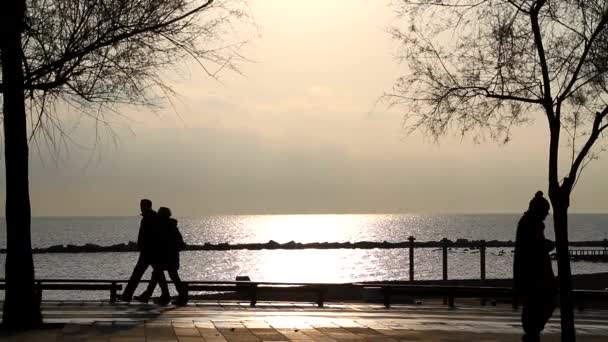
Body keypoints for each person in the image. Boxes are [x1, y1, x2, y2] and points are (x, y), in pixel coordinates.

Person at [513, 191, 557, 342]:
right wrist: (547, 246)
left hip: (533, 275)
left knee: (538, 304)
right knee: (539, 304)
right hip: (533, 276)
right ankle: (532, 332)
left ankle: (532, 332)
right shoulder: (530, 223)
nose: (546, 215)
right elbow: (532, 248)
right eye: (545, 212)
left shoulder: (530, 223)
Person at [120, 199, 167, 302]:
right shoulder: (154, 217)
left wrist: (141, 245)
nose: (140, 207)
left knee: (138, 274)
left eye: (142, 205)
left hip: (148, 251)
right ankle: (164, 295)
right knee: (157, 274)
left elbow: (145, 234)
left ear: (146, 206)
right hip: (152, 250)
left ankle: (127, 295)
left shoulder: (147, 218)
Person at [144, 206, 188, 305]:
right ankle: (175, 296)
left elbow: (156, 242)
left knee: (160, 274)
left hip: (162, 256)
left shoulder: (160, 227)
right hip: (172, 256)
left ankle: (167, 296)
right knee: (170, 276)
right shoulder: (172, 227)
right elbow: (180, 243)